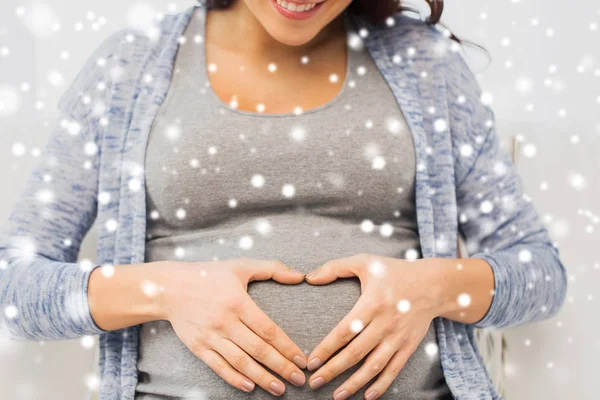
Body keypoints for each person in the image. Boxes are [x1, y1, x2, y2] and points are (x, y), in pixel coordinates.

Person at [0, 0, 567, 399]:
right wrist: (163, 290)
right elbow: (15, 288)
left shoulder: (426, 66)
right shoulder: (130, 67)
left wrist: (431, 288)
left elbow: (539, 273)